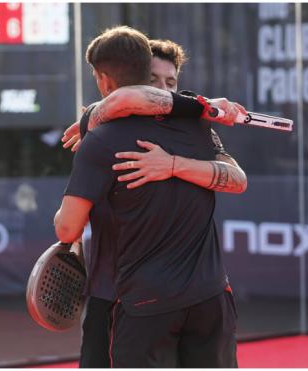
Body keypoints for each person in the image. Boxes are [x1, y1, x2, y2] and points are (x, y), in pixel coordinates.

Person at [54, 26, 241, 367]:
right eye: (155, 80)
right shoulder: (195, 124)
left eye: (171, 83)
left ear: (103, 78)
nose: (163, 90)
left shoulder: (107, 137)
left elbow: (67, 229)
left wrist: (171, 165)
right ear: (141, 75)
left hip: (144, 304)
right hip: (190, 301)